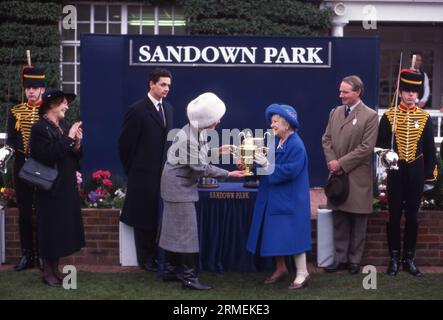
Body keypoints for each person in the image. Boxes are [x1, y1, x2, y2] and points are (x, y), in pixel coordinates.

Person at [159, 92, 245, 290]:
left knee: (174, 228)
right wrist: (229, 174)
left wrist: (220, 150)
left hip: (176, 185)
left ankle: (170, 270)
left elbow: (199, 154)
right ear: (207, 121)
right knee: (187, 231)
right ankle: (189, 278)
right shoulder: (189, 138)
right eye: (216, 118)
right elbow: (201, 167)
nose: (219, 121)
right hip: (178, 188)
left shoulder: (192, 130)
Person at [376, 69, 437, 277]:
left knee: (412, 218)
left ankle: (408, 259)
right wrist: (387, 156)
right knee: (394, 217)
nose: (410, 95)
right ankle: (393, 258)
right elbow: (379, 147)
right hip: (396, 173)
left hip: (416, 173)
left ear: (418, 94)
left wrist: (430, 178)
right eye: (407, 90)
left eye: (414, 91)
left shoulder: (425, 117)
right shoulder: (388, 116)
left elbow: (430, 150)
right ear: (400, 92)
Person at [246, 104, 312, 290]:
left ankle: (302, 273)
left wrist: (267, 164)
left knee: (294, 235)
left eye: (275, 122)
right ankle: (281, 268)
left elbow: (290, 171)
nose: (271, 125)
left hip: (290, 199)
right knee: (275, 233)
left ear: (287, 124)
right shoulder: (276, 141)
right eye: (272, 121)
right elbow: (267, 165)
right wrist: (255, 162)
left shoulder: (296, 145)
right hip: (273, 196)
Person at [321, 75, 378, 275]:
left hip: (357, 176)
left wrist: (341, 164)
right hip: (337, 175)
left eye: (345, 92)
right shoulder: (334, 112)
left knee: (358, 220)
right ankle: (340, 259)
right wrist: (332, 162)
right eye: (340, 91)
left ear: (358, 92)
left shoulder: (370, 116)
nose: (341, 95)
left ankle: (355, 260)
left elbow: (366, 148)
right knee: (339, 218)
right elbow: (326, 139)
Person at [119, 68, 173, 273]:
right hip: (142, 175)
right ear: (151, 84)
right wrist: (134, 170)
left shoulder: (168, 109)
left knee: (157, 216)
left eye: (168, 85)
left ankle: (156, 256)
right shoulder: (137, 110)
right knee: (143, 217)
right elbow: (125, 145)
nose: (166, 88)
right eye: (162, 84)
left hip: (163, 174)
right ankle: (146, 260)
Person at [29, 88, 85, 287]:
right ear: (52, 105)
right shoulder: (39, 128)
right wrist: (69, 139)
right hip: (49, 188)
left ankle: (55, 270)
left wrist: (76, 145)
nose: (67, 106)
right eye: (63, 102)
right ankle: (47, 272)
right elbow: (47, 155)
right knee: (50, 229)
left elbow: (70, 157)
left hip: (63, 187)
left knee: (60, 229)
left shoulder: (60, 126)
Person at [6, 66, 46, 271]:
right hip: (22, 165)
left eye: (35, 87)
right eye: (28, 87)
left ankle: (41, 255)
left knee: (41, 210)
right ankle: (26, 254)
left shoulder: (49, 109)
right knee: (24, 212)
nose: (31, 91)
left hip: (41, 165)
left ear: (42, 89)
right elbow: (11, 139)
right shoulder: (15, 111)